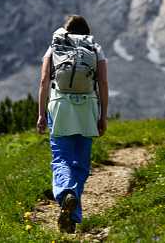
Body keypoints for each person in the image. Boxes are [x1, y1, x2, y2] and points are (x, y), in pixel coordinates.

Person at [36, 15, 109, 233]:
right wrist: (103, 115)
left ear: (66, 30)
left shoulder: (55, 47)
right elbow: (103, 83)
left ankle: (66, 194)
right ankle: (73, 212)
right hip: (87, 107)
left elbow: (43, 81)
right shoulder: (94, 48)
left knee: (61, 158)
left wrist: (41, 114)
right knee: (80, 162)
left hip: (60, 106)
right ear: (86, 30)